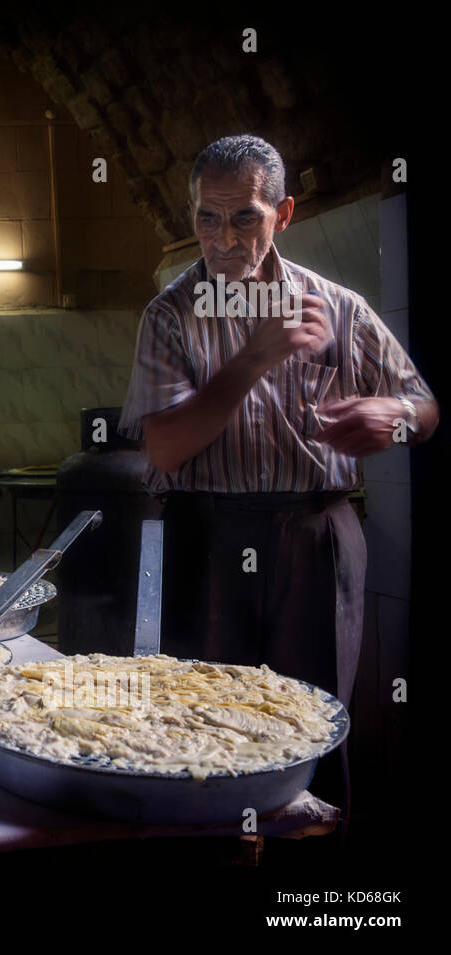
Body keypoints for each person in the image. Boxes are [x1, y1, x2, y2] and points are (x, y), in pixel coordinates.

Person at [119, 135, 436, 807]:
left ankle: (313, 886)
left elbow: (426, 406)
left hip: (317, 537)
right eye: (208, 216)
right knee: (202, 728)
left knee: (314, 726)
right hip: (206, 539)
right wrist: (252, 357)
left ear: (283, 214)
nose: (224, 238)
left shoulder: (337, 306)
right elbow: (165, 449)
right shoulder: (170, 316)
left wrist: (395, 416)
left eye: (245, 218)